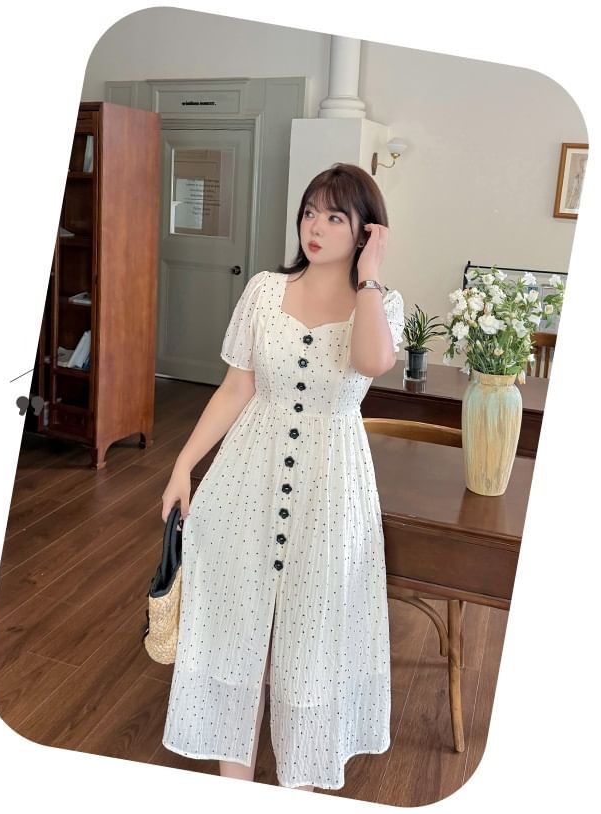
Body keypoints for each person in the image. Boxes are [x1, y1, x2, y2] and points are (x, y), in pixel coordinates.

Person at [160, 162, 405, 792]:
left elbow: (372, 361)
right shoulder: (265, 290)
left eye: (335, 217)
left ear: (366, 231)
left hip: (332, 488)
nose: (314, 228)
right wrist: (184, 464)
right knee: (235, 626)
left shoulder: (381, 304)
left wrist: (369, 278)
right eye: (309, 213)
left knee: (311, 633)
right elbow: (236, 387)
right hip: (247, 476)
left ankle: (301, 781)